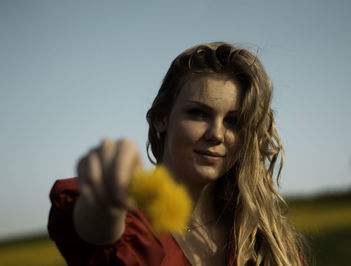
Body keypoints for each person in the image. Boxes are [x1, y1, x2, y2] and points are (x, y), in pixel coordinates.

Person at [48, 42, 308, 265]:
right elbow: (98, 232)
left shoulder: (266, 241)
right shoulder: (129, 220)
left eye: (233, 121)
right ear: (161, 118)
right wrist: (104, 200)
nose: (216, 134)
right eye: (198, 113)